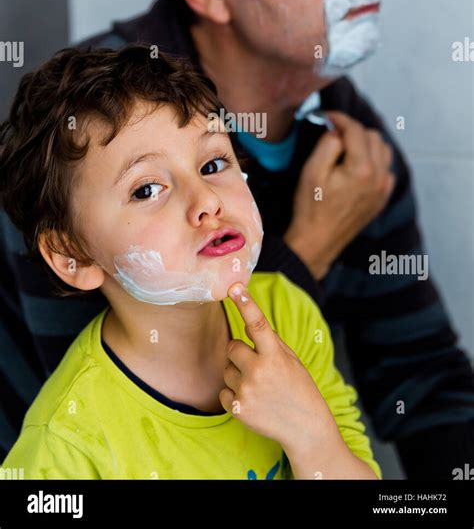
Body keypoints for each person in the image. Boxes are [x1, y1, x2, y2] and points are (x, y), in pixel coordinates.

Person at [1, 0, 473, 479]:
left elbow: (423, 380)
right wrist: (307, 252)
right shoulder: (81, 143)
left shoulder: (349, 142)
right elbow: (125, 390)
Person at [0, 44, 380, 480]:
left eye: (214, 162)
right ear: (73, 256)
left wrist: (311, 435)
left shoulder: (286, 313)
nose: (206, 200)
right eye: (146, 190)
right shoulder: (66, 448)